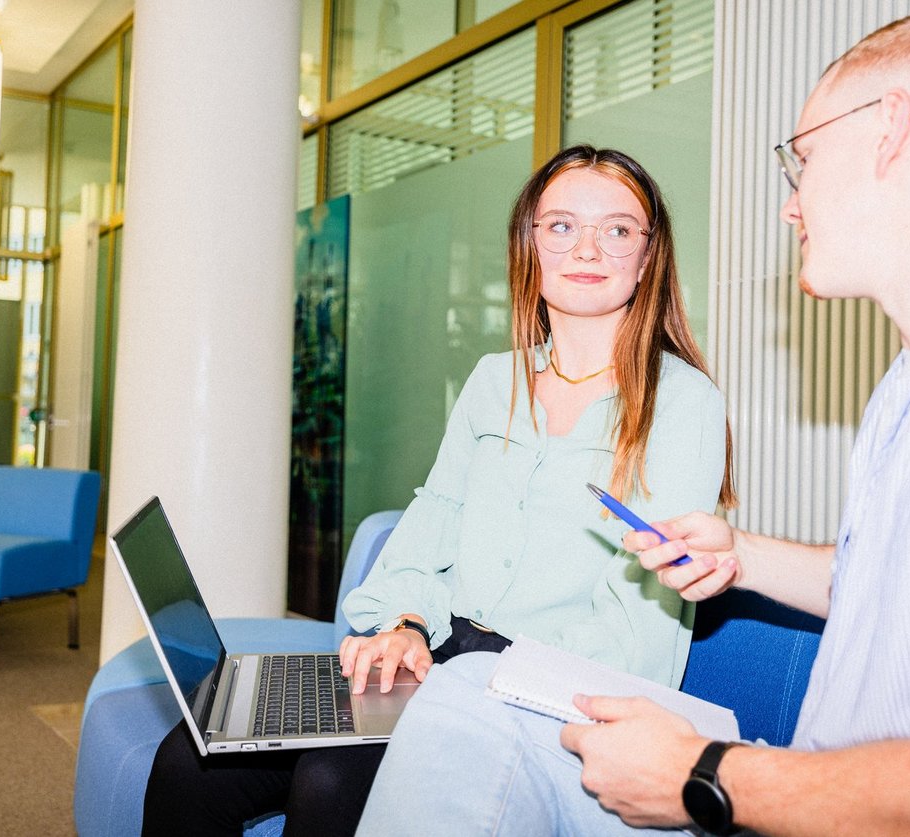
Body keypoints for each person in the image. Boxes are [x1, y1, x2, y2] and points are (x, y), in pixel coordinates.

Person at [355, 10, 910, 836]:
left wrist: (709, 773)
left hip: (795, 795)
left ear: (890, 130)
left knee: (463, 703)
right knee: (459, 705)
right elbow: (904, 578)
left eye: (801, 161)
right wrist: (742, 554)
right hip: (821, 794)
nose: (790, 202)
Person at [141, 144, 736, 836]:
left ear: (647, 256)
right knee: (190, 758)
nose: (589, 248)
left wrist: (463, 679)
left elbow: (639, 629)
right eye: (562, 226)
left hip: (549, 691)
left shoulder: (684, 402)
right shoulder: (494, 380)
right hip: (445, 656)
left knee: (331, 780)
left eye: (618, 229)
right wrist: (406, 624)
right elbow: (433, 520)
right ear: (529, 245)